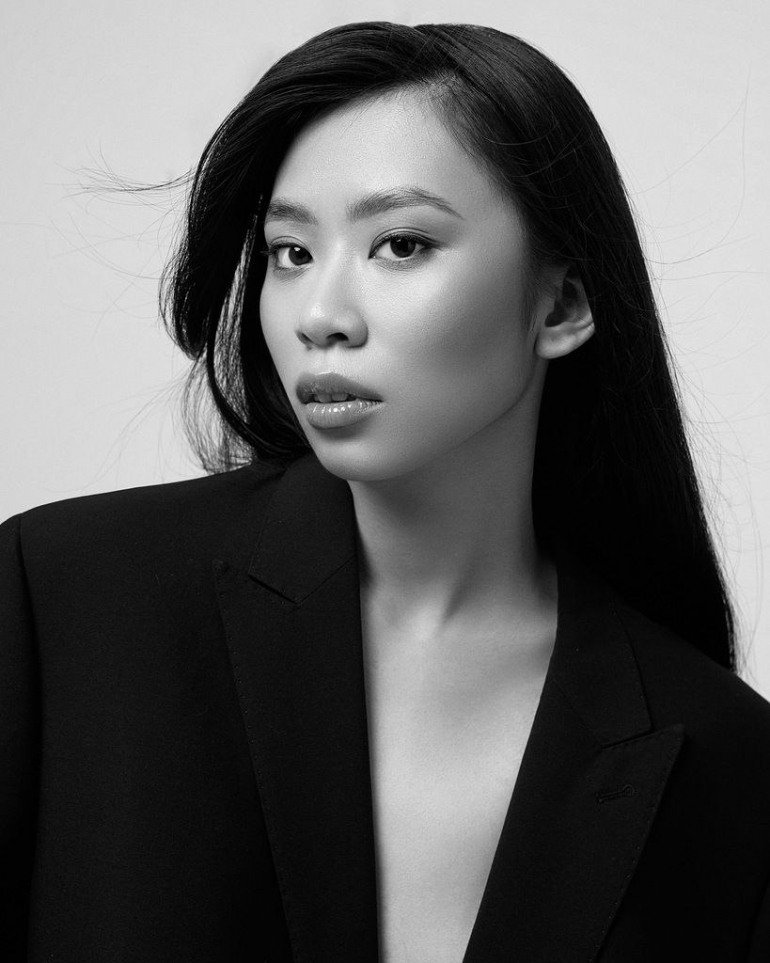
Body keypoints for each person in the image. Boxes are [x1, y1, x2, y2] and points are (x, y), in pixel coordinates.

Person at [2, 19, 769, 962]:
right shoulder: (67, 598)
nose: (320, 316)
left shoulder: (725, 763)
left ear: (563, 303)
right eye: (291, 252)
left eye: (401, 244)